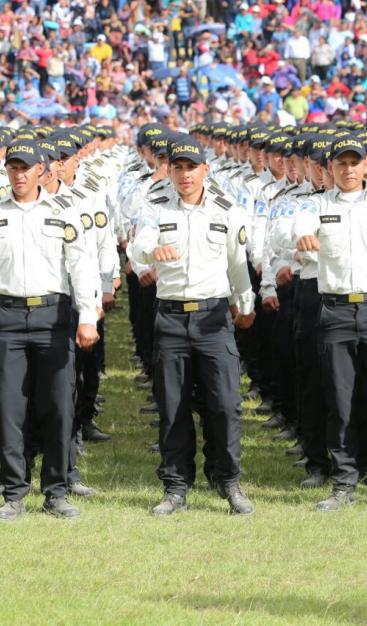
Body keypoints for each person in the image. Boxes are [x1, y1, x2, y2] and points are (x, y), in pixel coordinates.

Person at [0, 139, 100, 521]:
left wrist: (88, 315)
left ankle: (56, 490)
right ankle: (14, 491)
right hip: (8, 317)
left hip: (53, 316)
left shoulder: (64, 213)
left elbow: (82, 266)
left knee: (57, 406)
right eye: (12, 167)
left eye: (25, 167)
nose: (18, 175)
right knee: (9, 408)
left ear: (42, 170)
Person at [129, 134, 256, 517]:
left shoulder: (227, 210)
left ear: (205, 169)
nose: (185, 175)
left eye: (191, 167)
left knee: (225, 403)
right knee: (173, 405)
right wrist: (152, 251)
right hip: (170, 316)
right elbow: (138, 246)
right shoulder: (154, 206)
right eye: (178, 167)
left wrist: (245, 303)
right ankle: (175, 486)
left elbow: (238, 264)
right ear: (169, 170)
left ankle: (228, 479)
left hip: (214, 315)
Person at [294, 134, 367, 512]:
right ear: (330, 167)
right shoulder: (312, 207)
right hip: (336, 312)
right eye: (341, 163)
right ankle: (344, 482)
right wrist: (301, 241)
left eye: (354, 162)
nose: (348, 169)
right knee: (340, 403)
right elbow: (294, 238)